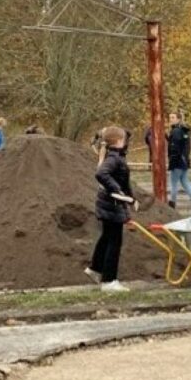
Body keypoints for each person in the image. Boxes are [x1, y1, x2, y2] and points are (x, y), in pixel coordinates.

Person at [86, 125, 137, 293]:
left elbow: (122, 181)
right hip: (111, 205)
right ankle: (109, 281)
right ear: (118, 141)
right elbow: (101, 174)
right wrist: (117, 191)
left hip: (108, 204)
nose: (125, 142)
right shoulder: (114, 158)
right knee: (114, 242)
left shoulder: (114, 155)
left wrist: (131, 198)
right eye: (123, 139)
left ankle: (95, 269)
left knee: (107, 237)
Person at [166, 111, 191, 214]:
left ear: (178, 119)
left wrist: (172, 159)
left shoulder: (176, 131)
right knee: (185, 182)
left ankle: (172, 205)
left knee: (173, 183)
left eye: (172, 117)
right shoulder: (184, 131)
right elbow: (181, 144)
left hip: (177, 161)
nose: (170, 120)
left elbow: (175, 146)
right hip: (185, 161)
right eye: (170, 117)